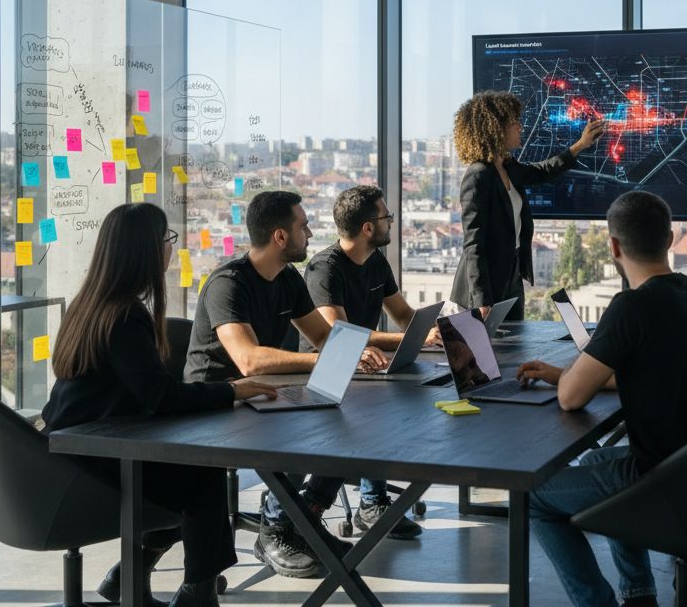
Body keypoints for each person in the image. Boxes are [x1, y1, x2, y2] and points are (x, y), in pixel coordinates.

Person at [42, 203, 278, 607]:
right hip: (89, 466)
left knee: (188, 475)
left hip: (69, 453)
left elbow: (143, 394)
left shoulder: (90, 304)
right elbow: (161, 396)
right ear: (146, 250)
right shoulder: (124, 315)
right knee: (201, 476)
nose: (171, 247)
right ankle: (197, 594)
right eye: (167, 239)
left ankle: (138, 579)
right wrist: (232, 390)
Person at [515, 191, 687, 607]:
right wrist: (568, 374)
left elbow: (569, 400)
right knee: (598, 460)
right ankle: (639, 596)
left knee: (534, 498)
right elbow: (658, 369)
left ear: (614, 247)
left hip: (666, 480)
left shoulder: (631, 306)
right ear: (670, 240)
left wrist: (570, 378)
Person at [184, 190, 388, 579]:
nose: (310, 233)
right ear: (280, 237)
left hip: (263, 393)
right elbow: (247, 360)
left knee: (353, 418)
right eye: (303, 225)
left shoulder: (288, 278)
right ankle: (275, 529)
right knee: (301, 428)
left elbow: (324, 337)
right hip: (216, 403)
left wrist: (353, 351)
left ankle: (303, 519)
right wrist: (326, 360)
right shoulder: (228, 283)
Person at [295, 185, 434, 540]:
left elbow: (403, 314)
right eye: (387, 217)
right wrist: (406, 339)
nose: (391, 222)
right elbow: (337, 335)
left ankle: (372, 502)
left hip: (366, 367)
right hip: (324, 370)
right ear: (369, 228)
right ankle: (328, 504)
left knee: (413, 395)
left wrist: (436, 329)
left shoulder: (375, 262)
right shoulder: (324, 269)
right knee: (369, 412)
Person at [450, 90, 605, 320]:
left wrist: (580, 145)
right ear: (496, 129)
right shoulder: (479, 175)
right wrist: (482, 301)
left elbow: (543, 171)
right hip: (484, 288)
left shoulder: (508, 166)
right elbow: (473, 244)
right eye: (514, 122)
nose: (520, 127)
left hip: (510, 276)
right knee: (489, 353)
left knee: (514, 346)